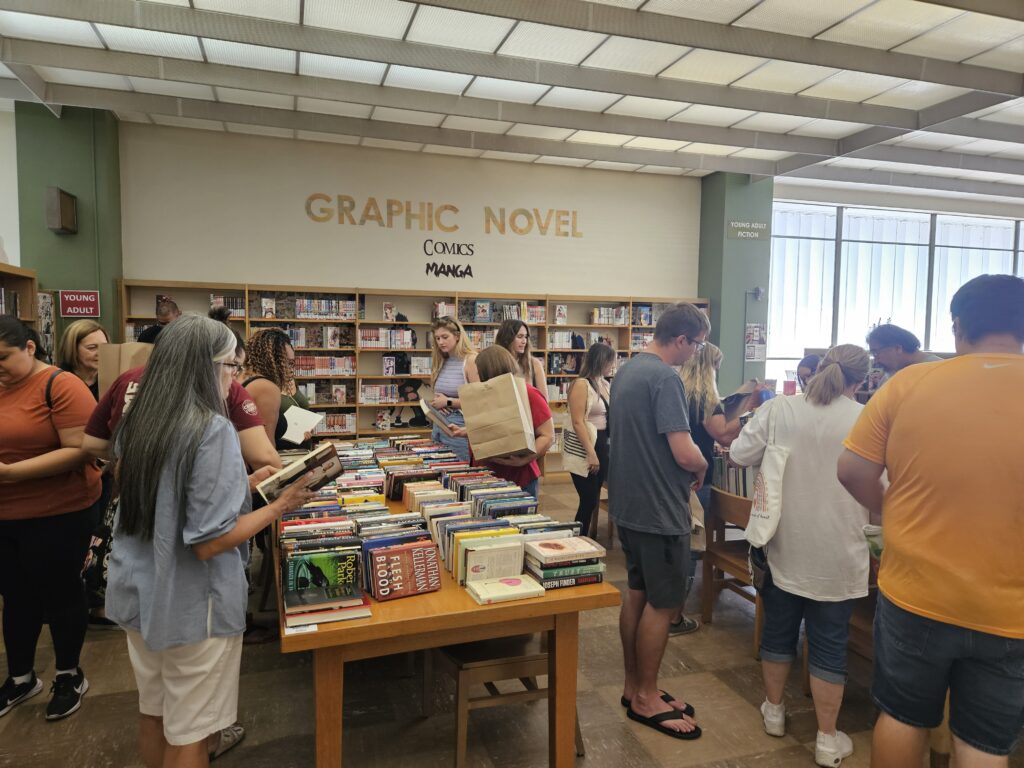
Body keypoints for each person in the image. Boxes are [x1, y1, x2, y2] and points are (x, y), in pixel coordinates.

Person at [106, 315, 315, 768]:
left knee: (155, 713)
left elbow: (169, 497)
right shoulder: (211, 428)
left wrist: (239, 484)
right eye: (230, 367)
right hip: (191, 604)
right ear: (204, 366)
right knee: (193, 734)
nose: (235, 379)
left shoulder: (139, 419)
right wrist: (280, 505)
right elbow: (210, 541)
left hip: (140, 592)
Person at [838, 274, 1024, 768]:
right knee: (984, 742)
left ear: (958, 327)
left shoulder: (911, 384)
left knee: (902, 716)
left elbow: (853, 470)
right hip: (1013, 609)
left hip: (917, 590)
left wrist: (887, 508)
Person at [730, 344, 871, 767]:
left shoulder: (780, 410)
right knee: (829, 644)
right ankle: (827, 739)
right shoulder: (866, 419)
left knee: (778, 631)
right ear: (861, 382)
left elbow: (739, 454)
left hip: (782, 544)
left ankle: (773, 711)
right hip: (840, 550)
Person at [609, 302, 709, 740]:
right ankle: (648, 696)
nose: (695, 354)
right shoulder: (666, 377)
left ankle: (635, 687)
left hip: (629, 504)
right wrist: (703, 464)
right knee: (665, 603)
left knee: (637, 592)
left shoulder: (627, 370)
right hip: (660, 508)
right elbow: (683, 449)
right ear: (682, 339)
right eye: (697, 344)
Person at [0, 317, 102, 721]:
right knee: (15, 594)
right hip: (6, 516)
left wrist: (11, 473)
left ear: (29, 348)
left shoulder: (60, 385)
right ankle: (21, 677)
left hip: (59, 511)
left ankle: (68, 673)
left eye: (3, 357)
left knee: (61, 593)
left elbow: (81, 449)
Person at [669, 342, 759, 636]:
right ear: (710, 366)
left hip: (674, 474)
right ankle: (676, 614)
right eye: (718, 365)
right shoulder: (707, 397)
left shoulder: (678, 390)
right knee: (694, 540)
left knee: (678, 538)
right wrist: (747, 413)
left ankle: (668, 607)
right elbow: (722, 432)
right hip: (698, 475)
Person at [452, 345, 553, 498]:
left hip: (519, 476)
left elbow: (548, 435)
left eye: (479, 371)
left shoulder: (529, 393)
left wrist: (524, 459)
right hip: (485, 475)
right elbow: (495, 426)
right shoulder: (482, 394)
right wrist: (468, 431)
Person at [567, 343, 614, 535]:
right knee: (587, 499)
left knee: (593, 498)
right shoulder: (581, 384)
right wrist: (591, 453)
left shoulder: (604, 383)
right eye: (610, 361)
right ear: (601, 360)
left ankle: (583, 538)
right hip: (586, 445)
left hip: (603, 443)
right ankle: (576, 539)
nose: (612, 365)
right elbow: (577, 422)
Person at [429, 316, 477, 462]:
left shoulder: (471, 360)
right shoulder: (443, 360)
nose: (440, 342)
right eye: (437, 338)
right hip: (439, 422)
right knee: (439, 470)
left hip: (460, 425)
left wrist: (448, 402)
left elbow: (480, 401)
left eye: (445, 337)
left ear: (457, 336)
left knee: (457, 471)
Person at [242, 328, 296, 449]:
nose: (290, 369)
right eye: (288, 363)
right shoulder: (266, 387)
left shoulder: (244, 377)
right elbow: (267, 444)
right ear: (273, 361)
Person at [494, 319, 548, 401]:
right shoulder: (495, 363)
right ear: (507, 339)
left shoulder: (534, 364)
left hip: (528, 412)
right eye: (519, 337)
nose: (524, 341)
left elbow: (544, 401)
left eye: (525, 337)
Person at [57, 319, 109, 400]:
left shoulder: (112, 378)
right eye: (92, 348)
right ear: (72, 349)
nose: (100, 353)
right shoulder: (58, 382)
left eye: (104, 346)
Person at [865, 324, 942, 379]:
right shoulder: (890, 375)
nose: (875, 361)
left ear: (898, 348)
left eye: (876, 353)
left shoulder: (938, 370)